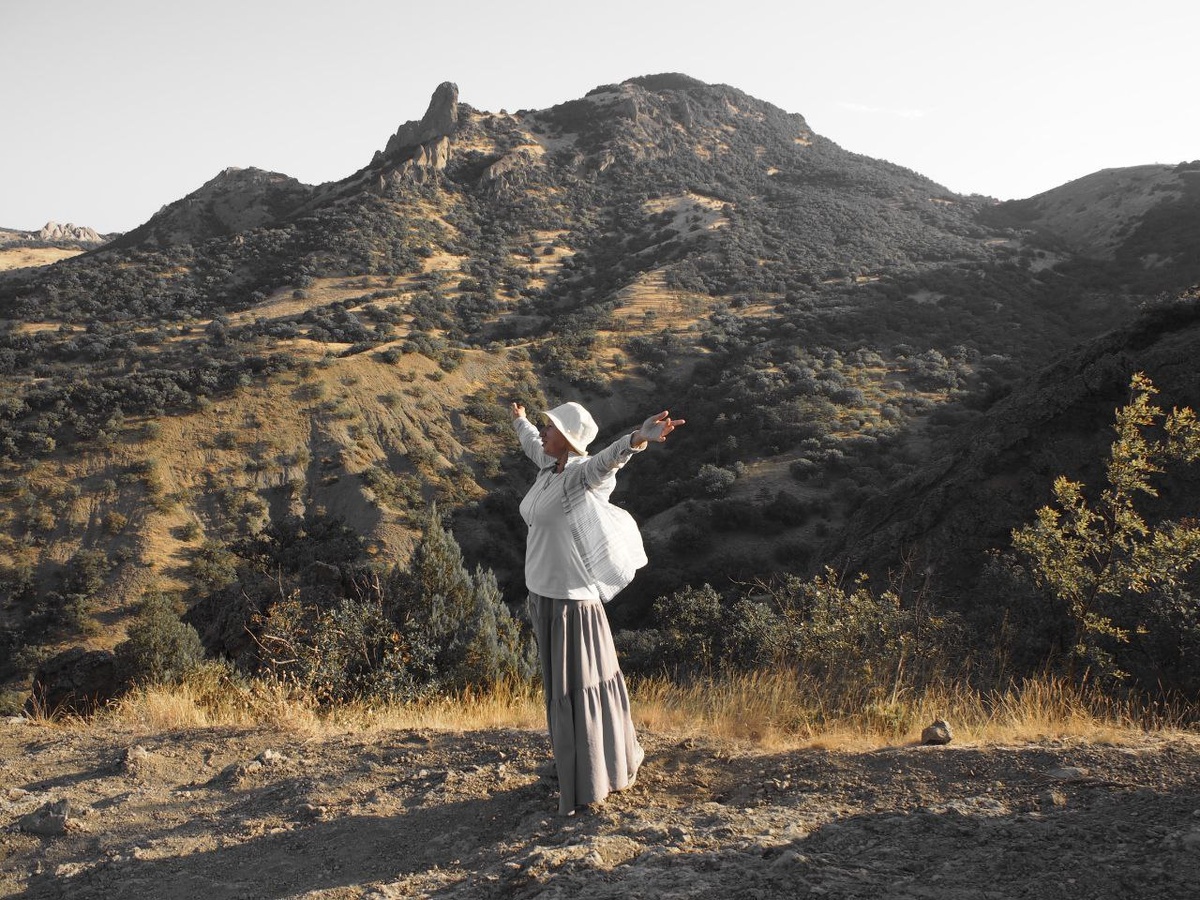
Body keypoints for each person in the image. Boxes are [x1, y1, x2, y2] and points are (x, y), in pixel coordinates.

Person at [511, 400, 684, 815]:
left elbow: (606, 462)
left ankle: (590, 779)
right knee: (561, 689)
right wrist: (518, 421)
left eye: (549, 427)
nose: (543, 431)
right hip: (544, 596)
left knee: (578, 690)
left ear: (568, 439)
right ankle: (576, 764)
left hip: (572, 602)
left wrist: (638, 439)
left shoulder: (577, 476)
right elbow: (533, 444)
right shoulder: (547, 468)